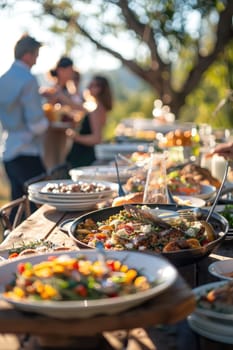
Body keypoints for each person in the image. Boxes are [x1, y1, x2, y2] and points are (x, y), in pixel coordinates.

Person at [0, 34, 49, 207]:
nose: (36, 60)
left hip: (8, 149)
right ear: (27, 55)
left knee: (17, 204)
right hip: (27, 150)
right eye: (35, 55)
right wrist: (48, 123)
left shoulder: (3, 79)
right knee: (41, 204)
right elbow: (36, 124)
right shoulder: (28, 79)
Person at [66, 75, 113, 168]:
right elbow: (76, 106)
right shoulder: (98, 107)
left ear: (100, 89)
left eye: (92, 85)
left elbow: (96, 138)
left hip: (83, 156)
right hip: (85, 154)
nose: (88, 87)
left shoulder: (97, 110)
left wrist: (75, 137)